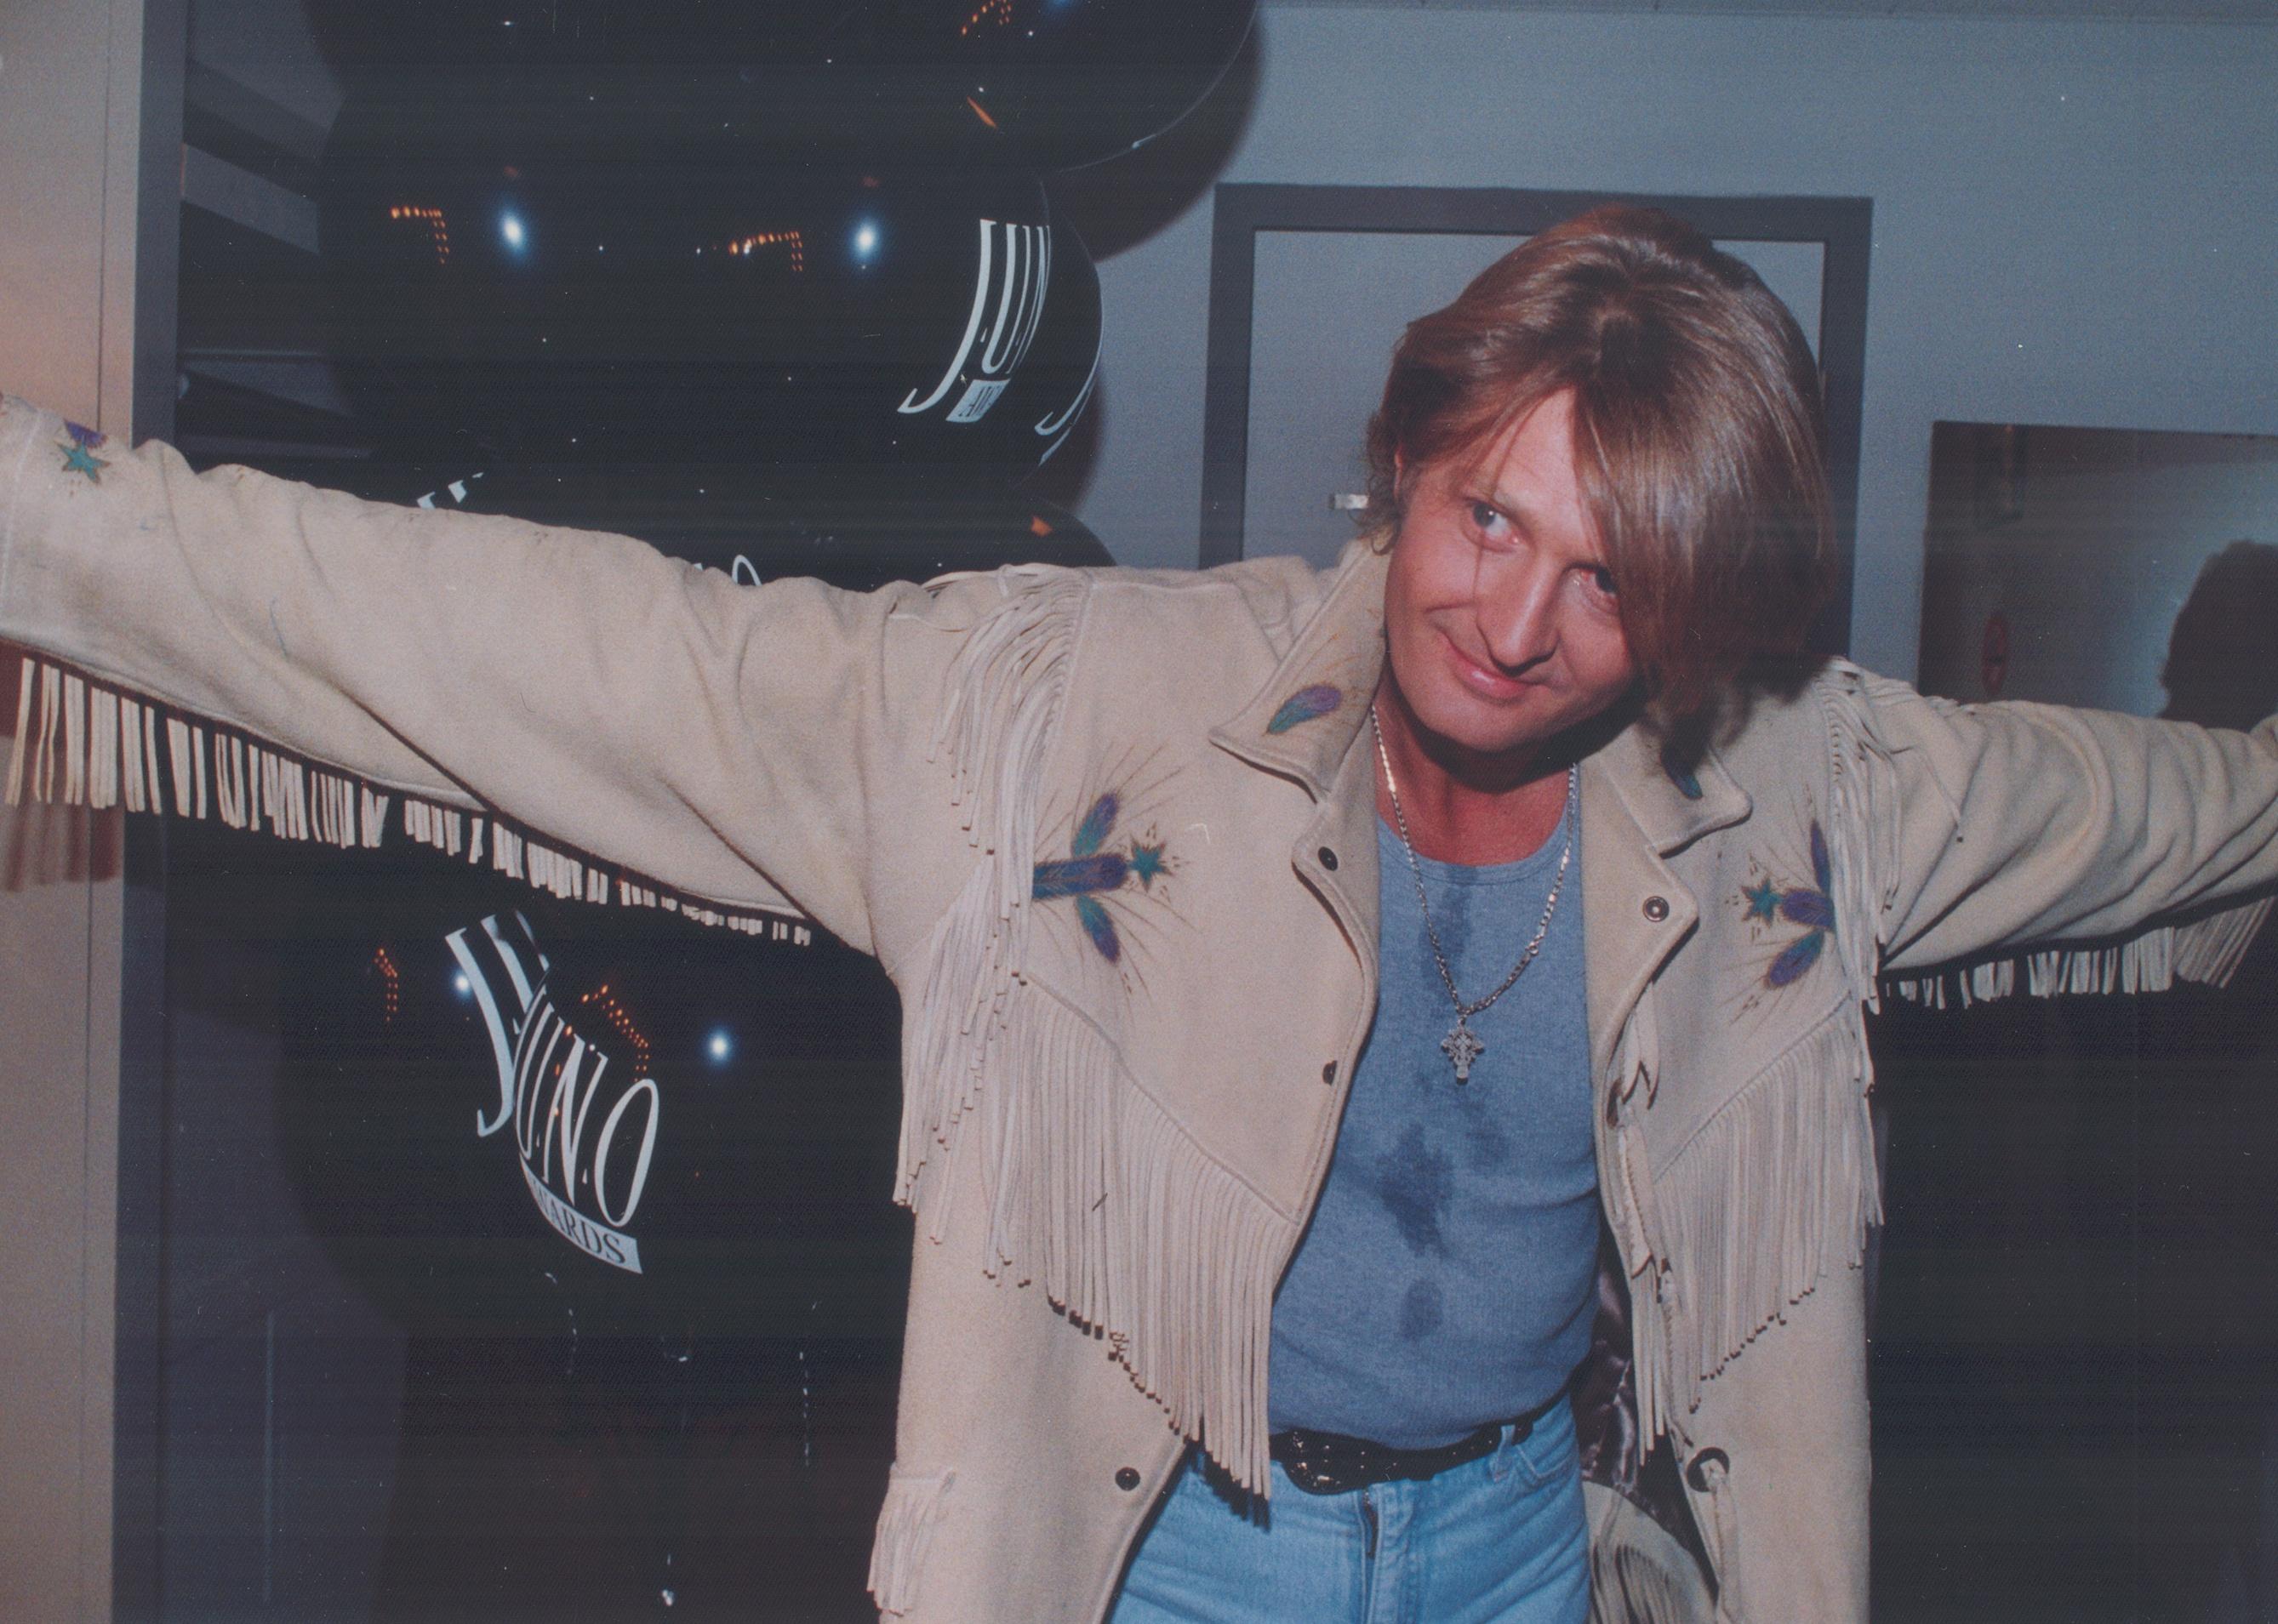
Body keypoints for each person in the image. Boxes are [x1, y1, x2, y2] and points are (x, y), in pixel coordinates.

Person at [6, 204, 2278, 1623]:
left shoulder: (1800, 782)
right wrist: (52, 523)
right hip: (1166, 1550)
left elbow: (2156, 812)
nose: (1522, 621)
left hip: (1520, 1549)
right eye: (1493, 516)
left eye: (1619, 579)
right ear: (1409, 453)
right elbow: (557, 642)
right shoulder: (1054, 715)